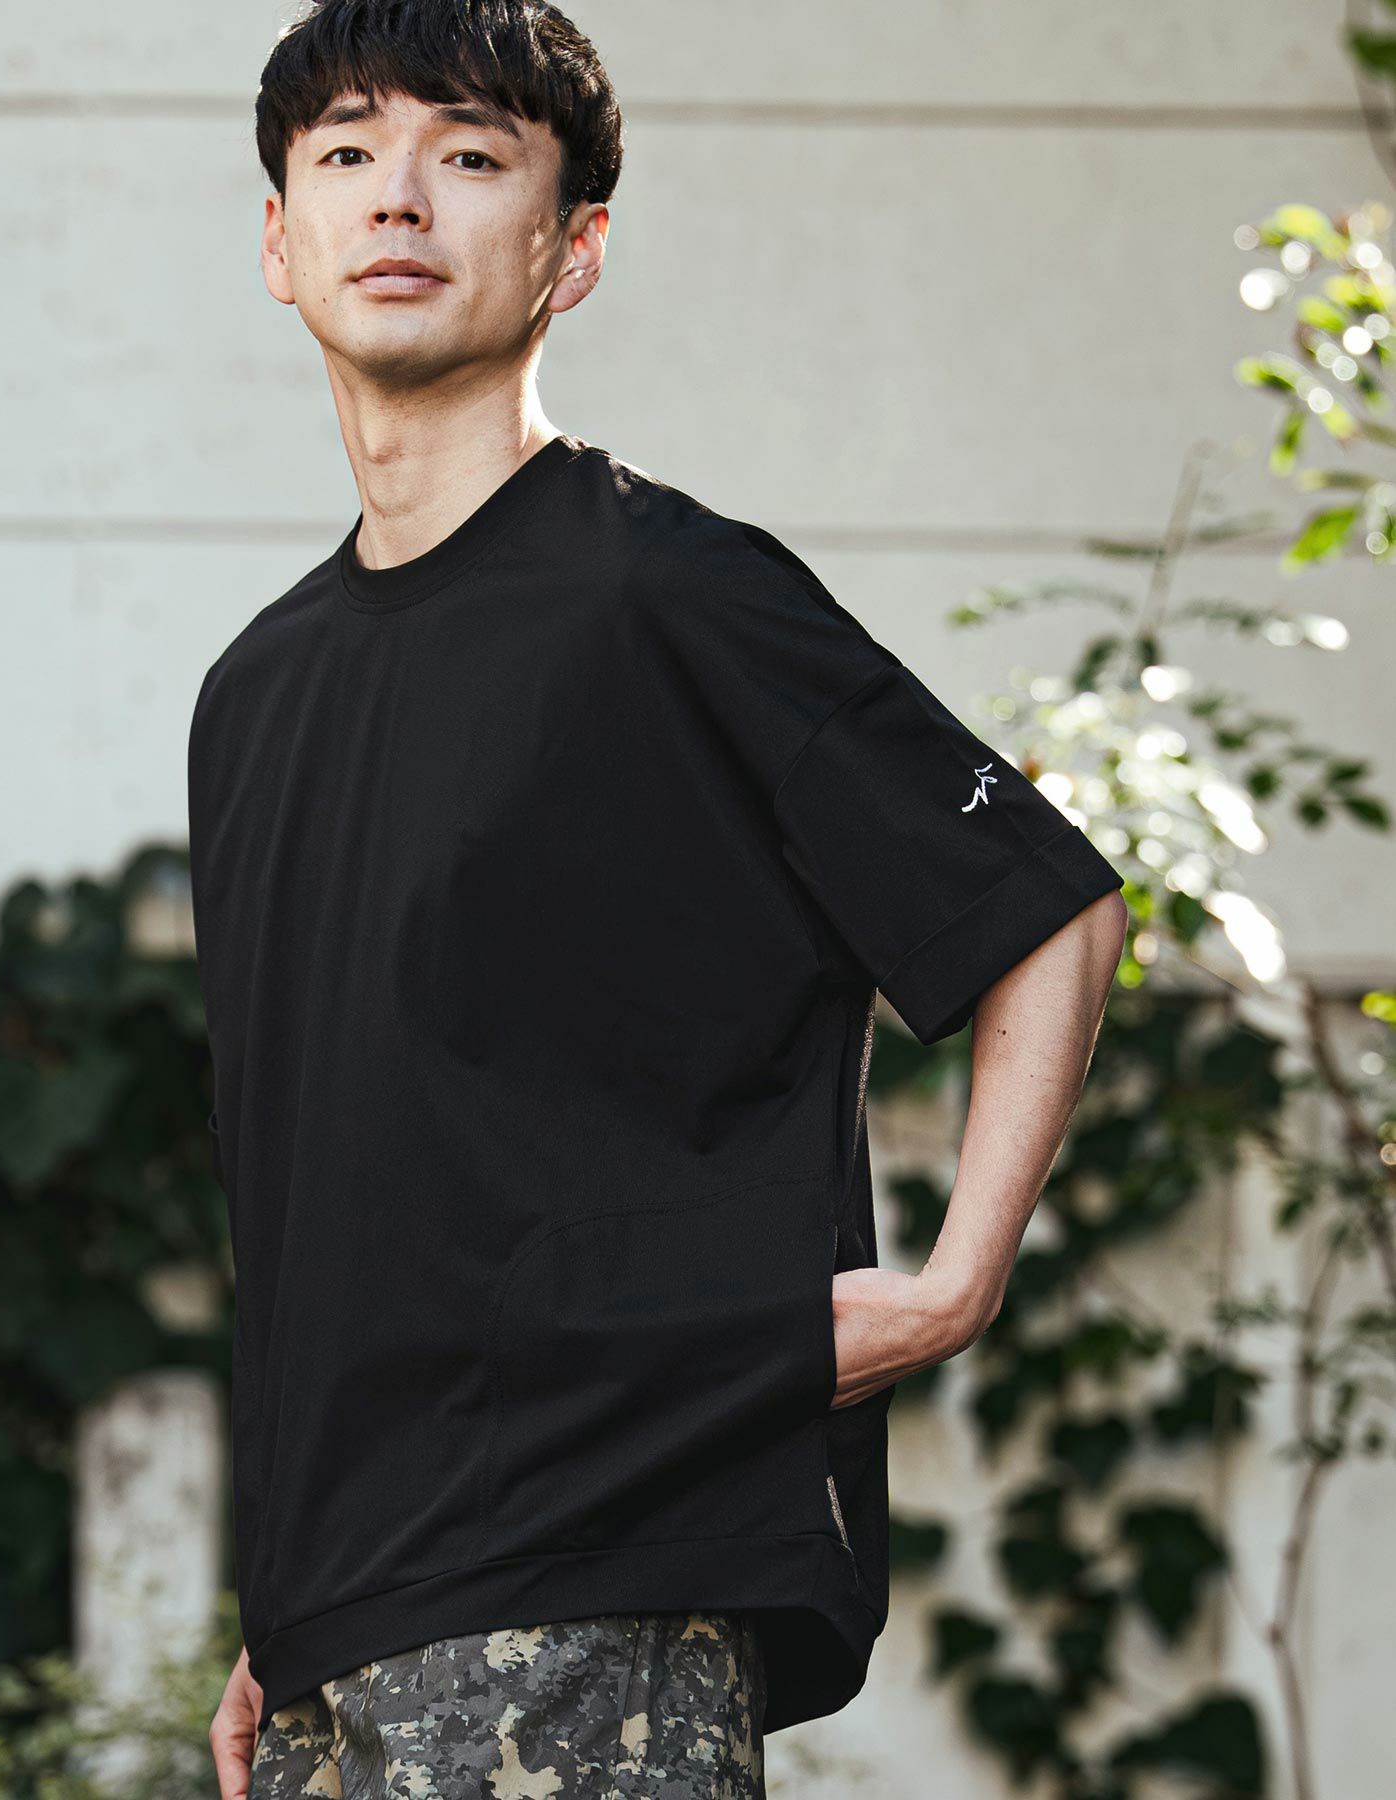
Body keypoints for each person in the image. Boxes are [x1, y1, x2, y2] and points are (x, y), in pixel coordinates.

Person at [190, 3, 1129, 1796]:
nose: (400, 198)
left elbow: (1047, 907)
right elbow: (359, 1195)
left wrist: (950, 1288)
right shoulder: (256, 693)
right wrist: (298, 1589)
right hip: (344, 1619)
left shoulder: (662, 592)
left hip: (597, 1577)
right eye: (347, 154)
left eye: (471, 155)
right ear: (279, 242)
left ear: (575, 250)